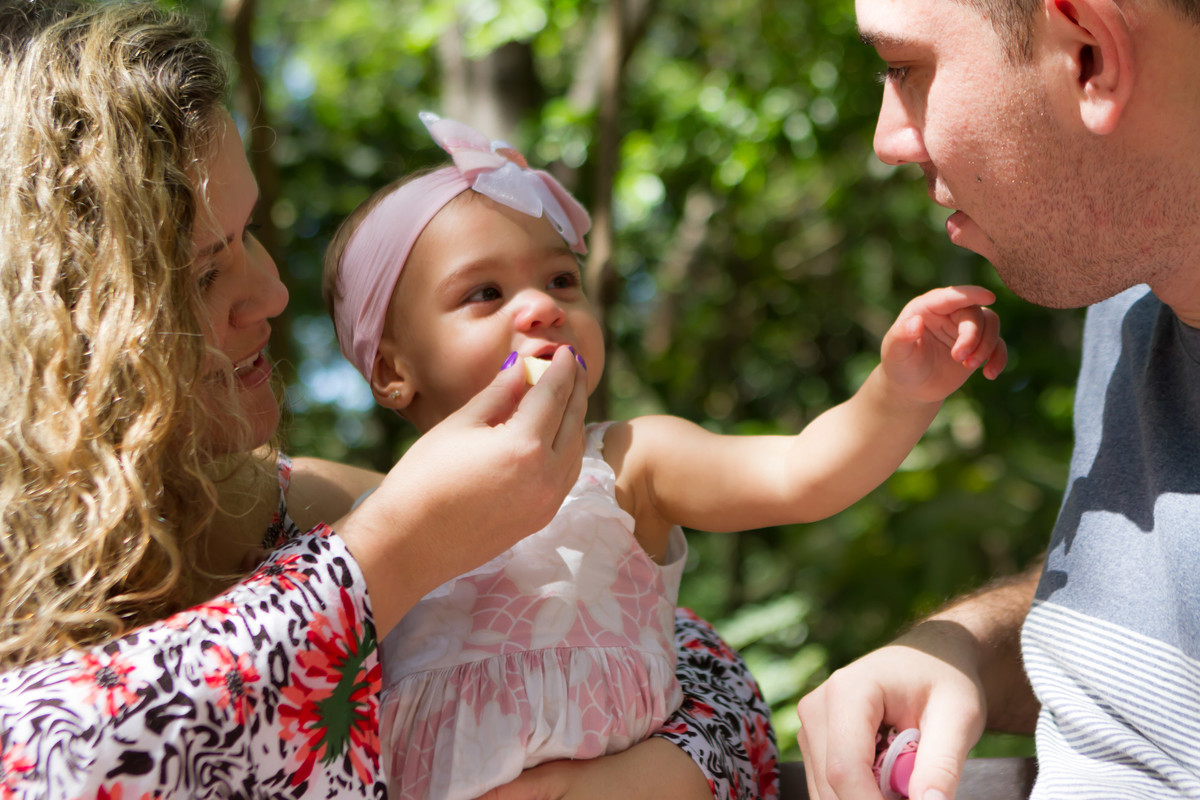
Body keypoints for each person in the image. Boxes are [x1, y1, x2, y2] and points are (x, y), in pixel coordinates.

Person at [0, 4, 765, 800]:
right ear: (49, 336)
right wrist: (383, 561)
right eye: (201, 274)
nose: (270, 292)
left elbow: (698, 666)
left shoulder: (302, 507)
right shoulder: (379, 529)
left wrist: (654, 775)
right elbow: (43, 758)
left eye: (250, 231)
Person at [321, 110, 1007, 800]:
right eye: (484, 293)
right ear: (390, 372)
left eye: (561, 280)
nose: (541, 308)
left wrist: (898, 393)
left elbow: (800, 472)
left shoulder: (625, 460)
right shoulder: (368, 535)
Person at [795, 0, 1200, 799]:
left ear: (1090, 57)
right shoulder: (1132, 302)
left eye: (906, 69)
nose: (887, 140)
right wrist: (965, 648)